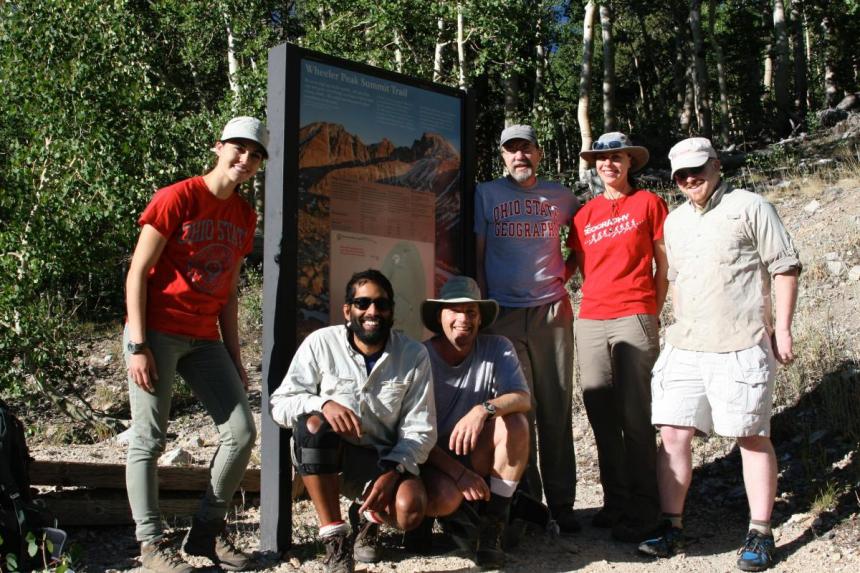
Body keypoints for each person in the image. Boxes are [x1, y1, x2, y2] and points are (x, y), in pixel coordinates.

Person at [638, 137, 801, 572]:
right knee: (672, 435)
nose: (691, 179)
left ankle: (761, 532)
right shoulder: (674, 222)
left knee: (750, 435)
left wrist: (781, 329)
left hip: (742, 344)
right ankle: (671, 527)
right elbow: (674, 278)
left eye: (698, 169)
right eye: (681, 174)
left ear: (716, 165)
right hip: (686, 344)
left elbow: (785, 266)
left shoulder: (751, 206)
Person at [124, 116, 268, 573]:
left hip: (205, 337)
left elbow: (228, 290)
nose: (244, 159)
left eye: (255, 154)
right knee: (148, 438)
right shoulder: (178, 197)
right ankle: (150, 543)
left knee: (242, 432)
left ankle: (206, 531)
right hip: (158, 331)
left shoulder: (245, 215)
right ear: (218, 147)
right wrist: (139, 345)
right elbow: (137, 273)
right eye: (238, 149)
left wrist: (235, 356)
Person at [269, 269, 436, 573]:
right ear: (348, 310)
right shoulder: (320, 343)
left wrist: (394, 468)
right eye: (363, 303)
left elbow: (420, 430)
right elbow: (279, 405)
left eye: (381, 304)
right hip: (331, 457)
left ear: (392, 311)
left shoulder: (413, 355)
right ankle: (335, 542)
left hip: (382, 461)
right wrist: (323, 403)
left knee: (410, 510)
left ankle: (367, 520)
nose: (372, 311)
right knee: (313, 425)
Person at [474, 124, 580, 532]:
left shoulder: (561, 196)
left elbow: (583, 238)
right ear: (502, 156)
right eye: (511, 150)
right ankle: (530, 504)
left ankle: (564, 504)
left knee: (556, 407)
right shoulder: (487, 194)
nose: (520, 156)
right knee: (521, 409)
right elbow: (479, 256)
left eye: (526, 149)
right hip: (503, 313)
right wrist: (484, 308)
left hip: (551, 312)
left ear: (539, 153)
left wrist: (565, 273)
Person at [569, 132, 668, 542]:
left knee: (635, 415)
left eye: (617, 158)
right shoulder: (584, 215)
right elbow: (574, 268)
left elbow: (665, 265)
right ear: (595, 166)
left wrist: (652, 311)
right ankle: (616, 501)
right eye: (602, 159)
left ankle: (646, 506)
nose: (609, 165)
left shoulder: (649, 204)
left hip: (634, 314)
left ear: (630, 163)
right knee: (600, 413)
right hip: (590, 318)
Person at [417, 275, 530, 568]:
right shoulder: (420, 357)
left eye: (471, 312)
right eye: (455, 311)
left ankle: (493, 523)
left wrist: (482, 410)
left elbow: (522, 398)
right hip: (430, 459)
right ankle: (428, 519)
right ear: (439, 316)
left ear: (480, 319)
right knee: (445, 498)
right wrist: (458, 473)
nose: (463, 319)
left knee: (516, 423)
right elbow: (414, 436)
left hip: (474, 453)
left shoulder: (498, 347)